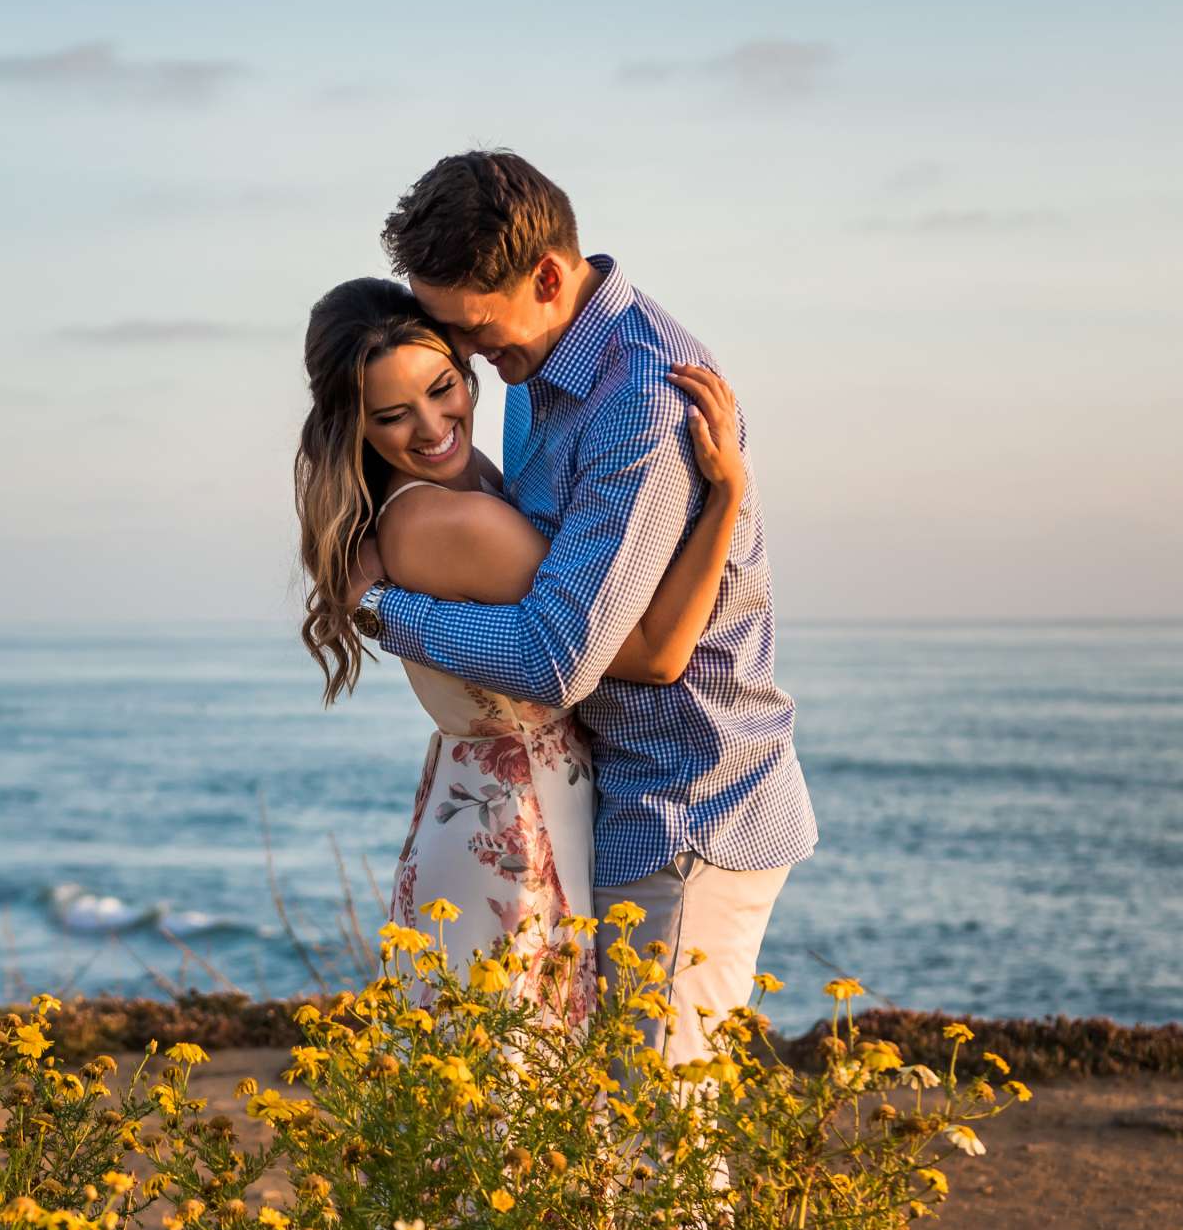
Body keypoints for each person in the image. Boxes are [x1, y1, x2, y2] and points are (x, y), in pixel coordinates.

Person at [344, 150, 818, 1068]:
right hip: (621, 793)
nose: (470, 359)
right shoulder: (543, 372)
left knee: (662, 1132)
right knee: (615, 1127)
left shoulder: (639, 397)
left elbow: (564, 656)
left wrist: (385, 612)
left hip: (689, 799)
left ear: (549, 277)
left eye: (473, 331)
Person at [295, 277, 747, 1026]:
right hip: (512, 831)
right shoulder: (452, 520)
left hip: (494, 812)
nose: (435, 426)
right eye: (393, 415)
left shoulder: (454, 489)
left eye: (443, 389)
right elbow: (653, 652)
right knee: (514, 1098)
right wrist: (727, 497)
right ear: (356, 429)